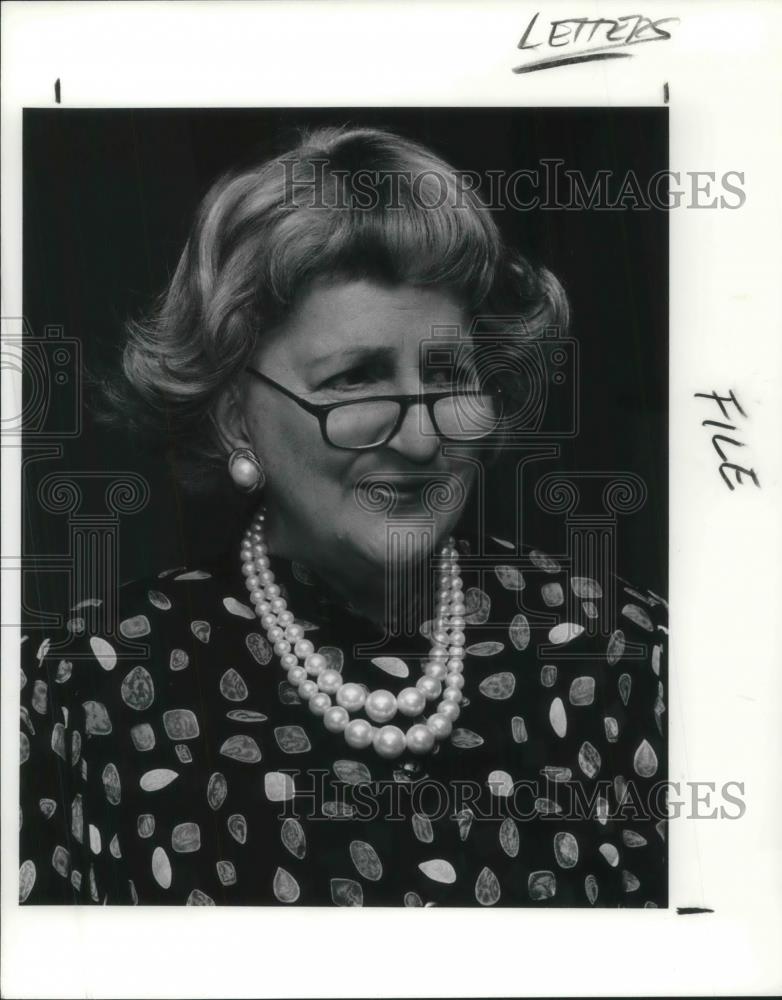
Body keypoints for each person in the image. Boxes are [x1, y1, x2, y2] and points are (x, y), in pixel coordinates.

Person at [19, 125, 667, 907]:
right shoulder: (90, 688)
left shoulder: (623, 655)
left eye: (448, 373)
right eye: (356, 380)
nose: (423, 437)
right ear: (234, 418)